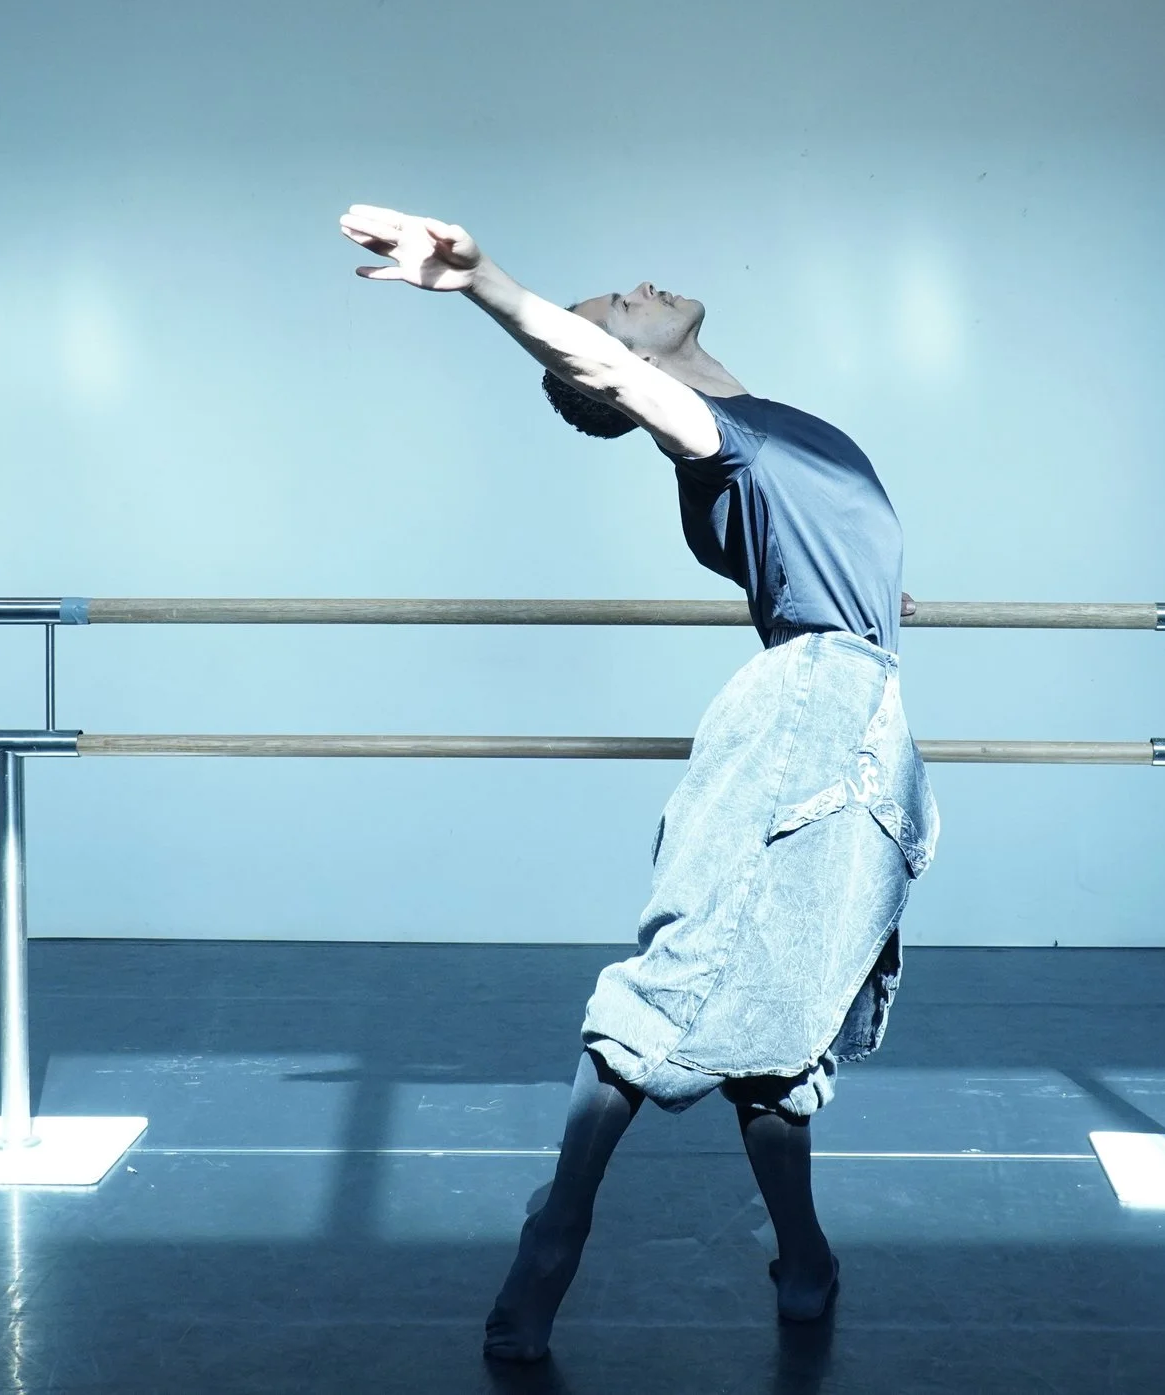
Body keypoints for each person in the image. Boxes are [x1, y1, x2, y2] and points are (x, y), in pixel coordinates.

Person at [337, 205, 939, 1363]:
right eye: (615, 303)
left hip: (860, 709)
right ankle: (555, 1228)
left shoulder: (768, 433)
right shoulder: (716, 437)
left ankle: (803, 1252)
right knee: (688, 971)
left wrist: (874, 588)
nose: (634, 287)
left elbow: (808, 546)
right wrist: (484, 283)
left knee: (787, 1004)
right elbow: (596, 365)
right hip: (810, 716)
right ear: (628, 367)